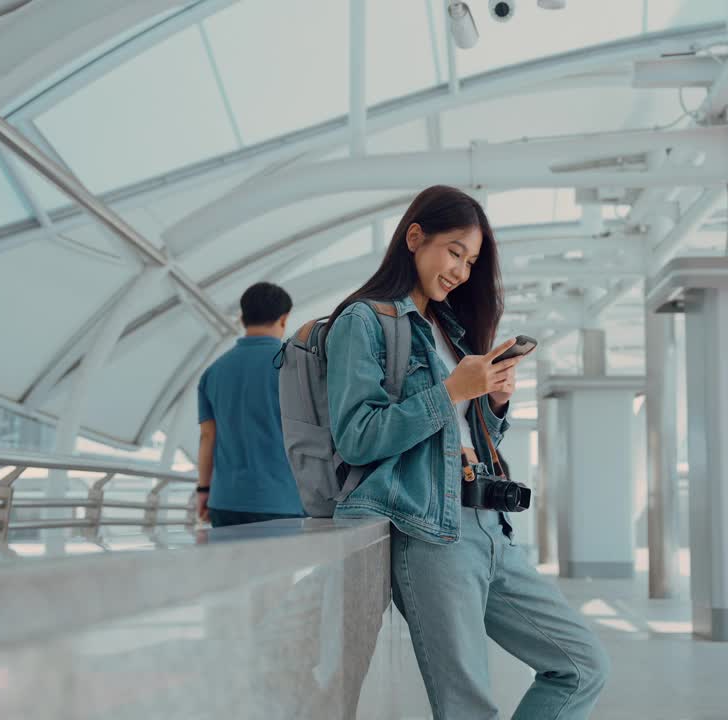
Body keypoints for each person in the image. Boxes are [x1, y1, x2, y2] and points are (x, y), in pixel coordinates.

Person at [325, 186, 609, 719]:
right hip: (430, 532)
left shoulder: (450, 329)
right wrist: (453, 391)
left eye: (471, 261)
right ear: (415, 237)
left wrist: (493, 405)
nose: (461, 270)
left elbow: (463, 437)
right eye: (455, 251)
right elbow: (357, 436)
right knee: (468, 708)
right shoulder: (363, 322)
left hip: (490, 526)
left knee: (581, 665)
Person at [195, 282, 306, 528]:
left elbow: (207, 436)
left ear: (242, 317)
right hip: (283, 501)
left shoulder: (213, 372)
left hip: (225, 502)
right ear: (284, 319)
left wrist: (204, 490)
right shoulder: (296, 365)